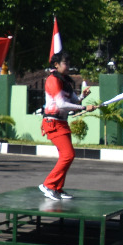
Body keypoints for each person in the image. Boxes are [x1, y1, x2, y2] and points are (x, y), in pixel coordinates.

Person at [39, 52, 95, 199]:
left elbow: (74, 101)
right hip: (53, 123)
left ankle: (57, 188)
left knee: (66, 155)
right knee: (68, 155)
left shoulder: (65, 81)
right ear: (56, 65)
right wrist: (84, 108)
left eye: (69, 63)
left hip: (62, 123)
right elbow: (61, 104)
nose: (68, 66)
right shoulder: (53, 80)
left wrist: (83, 97)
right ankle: (49, 185)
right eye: (66, 63)